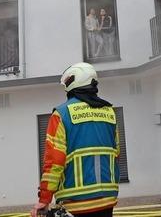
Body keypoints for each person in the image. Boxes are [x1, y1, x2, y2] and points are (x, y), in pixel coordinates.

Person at [31, 62, 119, 217]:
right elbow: (116, 153)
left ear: (72, 83)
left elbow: (54, 163)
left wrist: (44, 199)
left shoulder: (61, 114)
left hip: (76, 202)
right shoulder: (109, 112)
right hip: (107, 199)